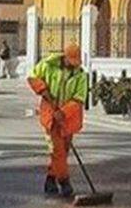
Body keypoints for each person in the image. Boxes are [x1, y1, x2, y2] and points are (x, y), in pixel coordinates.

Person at [27, 44, 88, 198]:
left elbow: (79, 98)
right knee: (57, 150)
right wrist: (43, 91)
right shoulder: (48, 65)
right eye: (71, 61)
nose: (73, 65)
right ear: (64, 57)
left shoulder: (80, 75)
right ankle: (64, 181)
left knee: (62, 152)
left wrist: (64, 112)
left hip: (68, 120)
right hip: (50, 117)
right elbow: (32, 77)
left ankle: (50, 180)